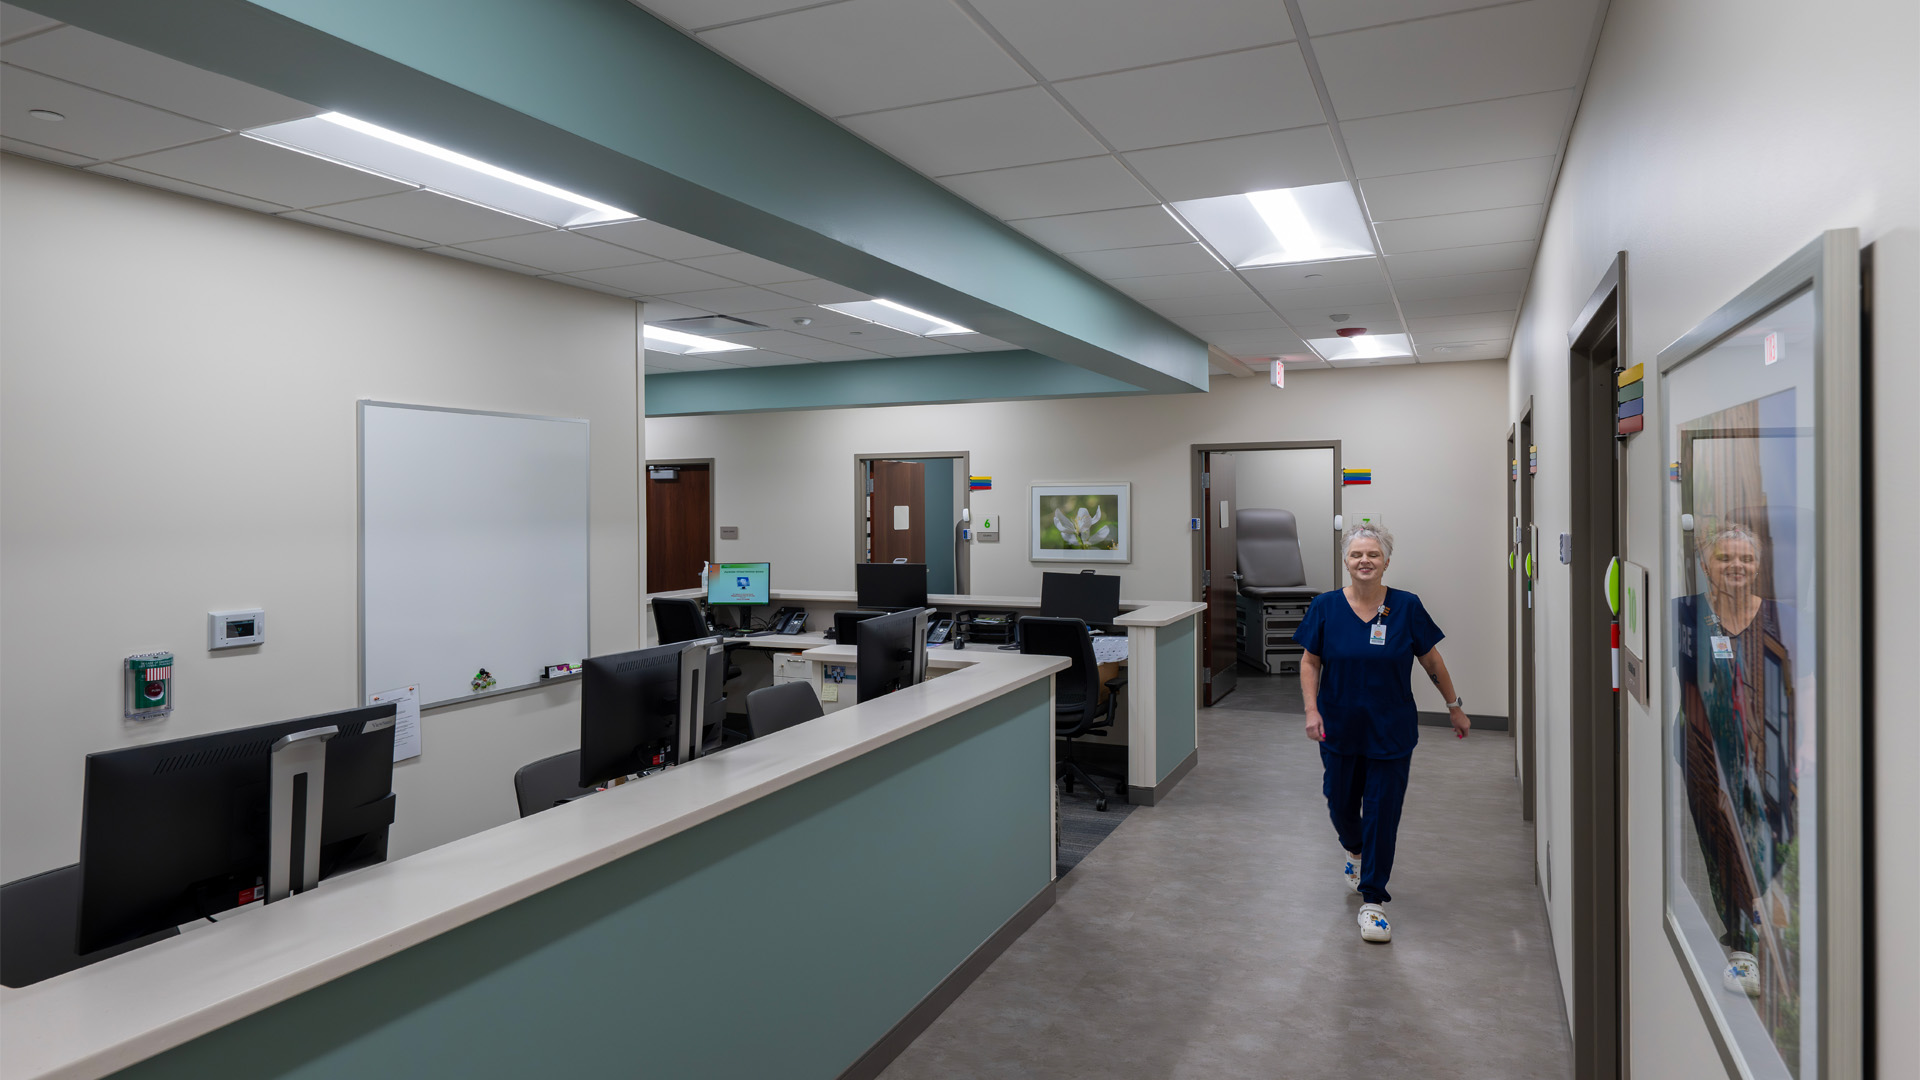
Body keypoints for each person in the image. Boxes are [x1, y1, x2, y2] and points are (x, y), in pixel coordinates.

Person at [1293, 522, 1468, 943]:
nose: (1364, 561)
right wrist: (1311, 710)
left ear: (1386, 561)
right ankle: (1354, 851)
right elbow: (1310, 662)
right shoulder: (1325, 607)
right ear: (1346, 562)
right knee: (1339, 803)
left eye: (1373, 554)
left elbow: (1431, 661)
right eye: (1357, 555)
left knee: (1382, 814)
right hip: (1337, 726)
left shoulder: (1407, 607)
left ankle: (1373, 901)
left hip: (1391, 730)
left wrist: (1454, 706)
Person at [1674, 522, 1797, 1001]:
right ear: (1706, 566)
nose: (1737, 567)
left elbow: (1805, 679)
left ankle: (1763, 907)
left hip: (1772, 749)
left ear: (1759, 566)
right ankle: (1743, 947)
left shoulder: (1781, 618)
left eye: (1746, 559)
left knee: (1775, 833)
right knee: (1723, 842)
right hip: (1705, 748)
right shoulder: (1685, 615)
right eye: (1726, 558)